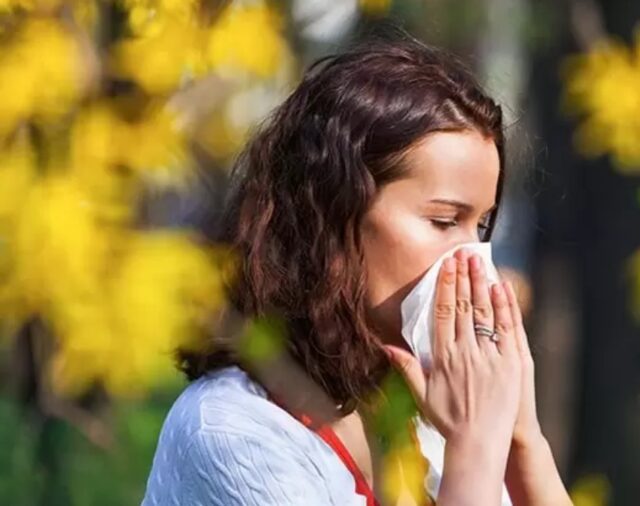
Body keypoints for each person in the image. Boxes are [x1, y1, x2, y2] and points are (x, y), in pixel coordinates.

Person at [141, 35, 570, 506]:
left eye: (482, 225)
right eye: (445, 221)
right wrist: (475, 447)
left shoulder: (429, 415)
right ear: (334, 214)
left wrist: (521, 439)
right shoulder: (231, 431)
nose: (473, 260)